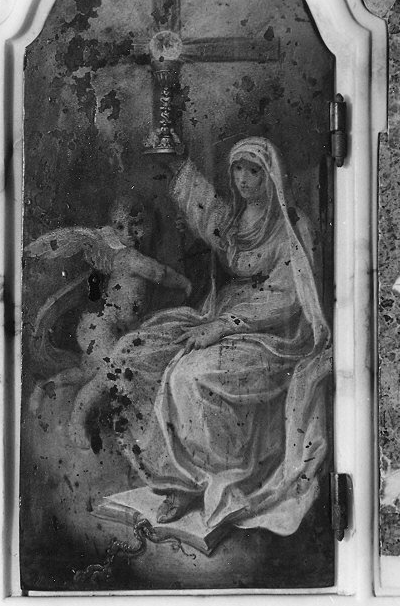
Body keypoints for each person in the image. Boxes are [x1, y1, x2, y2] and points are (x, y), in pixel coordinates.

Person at [107, 137, 332, 536]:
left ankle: (204, 481)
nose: (243, 179)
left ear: (271, 175)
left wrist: (223, 326)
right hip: (219, 314)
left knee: (187, 375)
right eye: (237, 169)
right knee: (132, 353)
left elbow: (283, 298)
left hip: (271, 336)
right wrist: (179, 166)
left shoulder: (292, 228)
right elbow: (207, 212)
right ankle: (173, 478)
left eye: (253, 171)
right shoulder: (235, 220)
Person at [25, 201, 191, 445]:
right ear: (112, 230)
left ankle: (45, 385)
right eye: (120, 227)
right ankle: (77, 421)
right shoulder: (129, 257)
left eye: (137, 225)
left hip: (98, 327)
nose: (129, 233)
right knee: (109, 373)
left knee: (87, 372)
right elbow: (160, 274)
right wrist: (184, 283)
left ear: (149, 224)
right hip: (99, 326)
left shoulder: (130, 255)